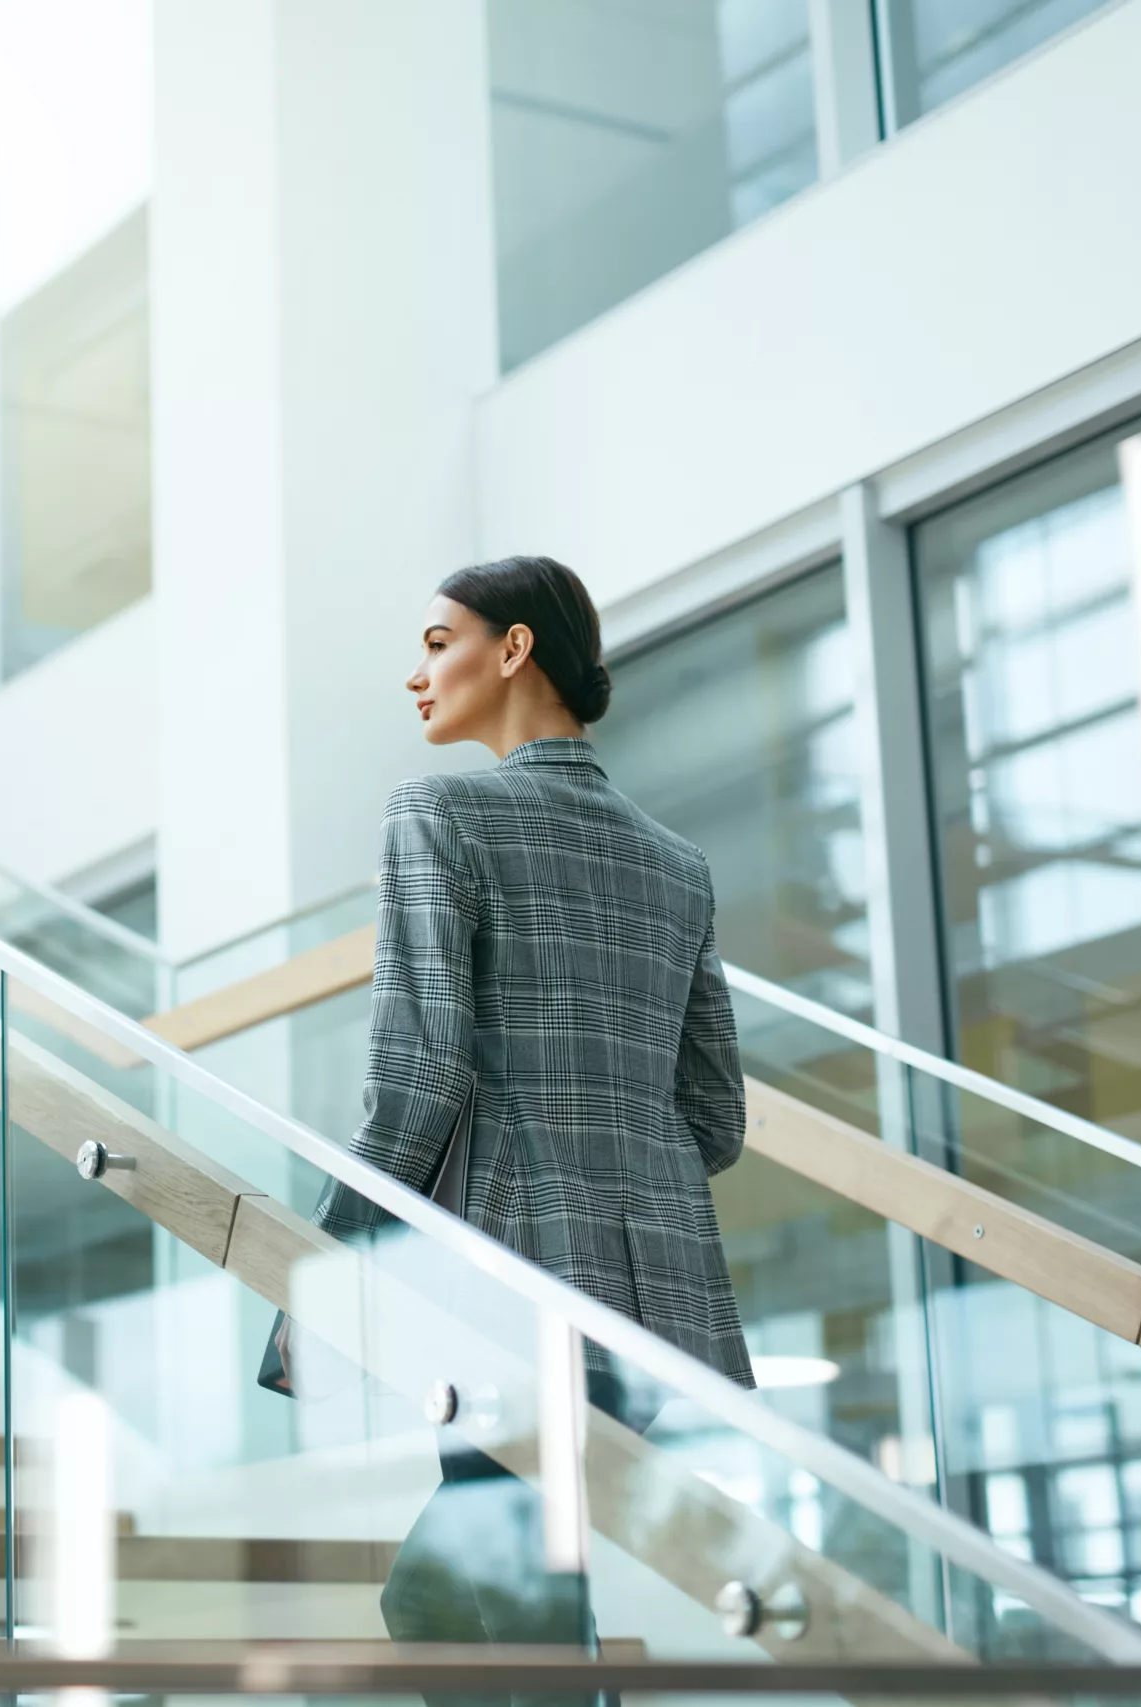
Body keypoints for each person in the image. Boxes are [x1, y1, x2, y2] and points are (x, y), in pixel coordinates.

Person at [285, 554, 753, 1680]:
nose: (416, 675)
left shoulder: (437, 814)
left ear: (513, 650)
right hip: (659, 1305)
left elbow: (419, 1081)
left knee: (476, 1591)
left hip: (506, 1289)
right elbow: (716, 1117)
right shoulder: (675, 864)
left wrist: (325, 1267)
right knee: (475, 1586)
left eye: (438, 641)